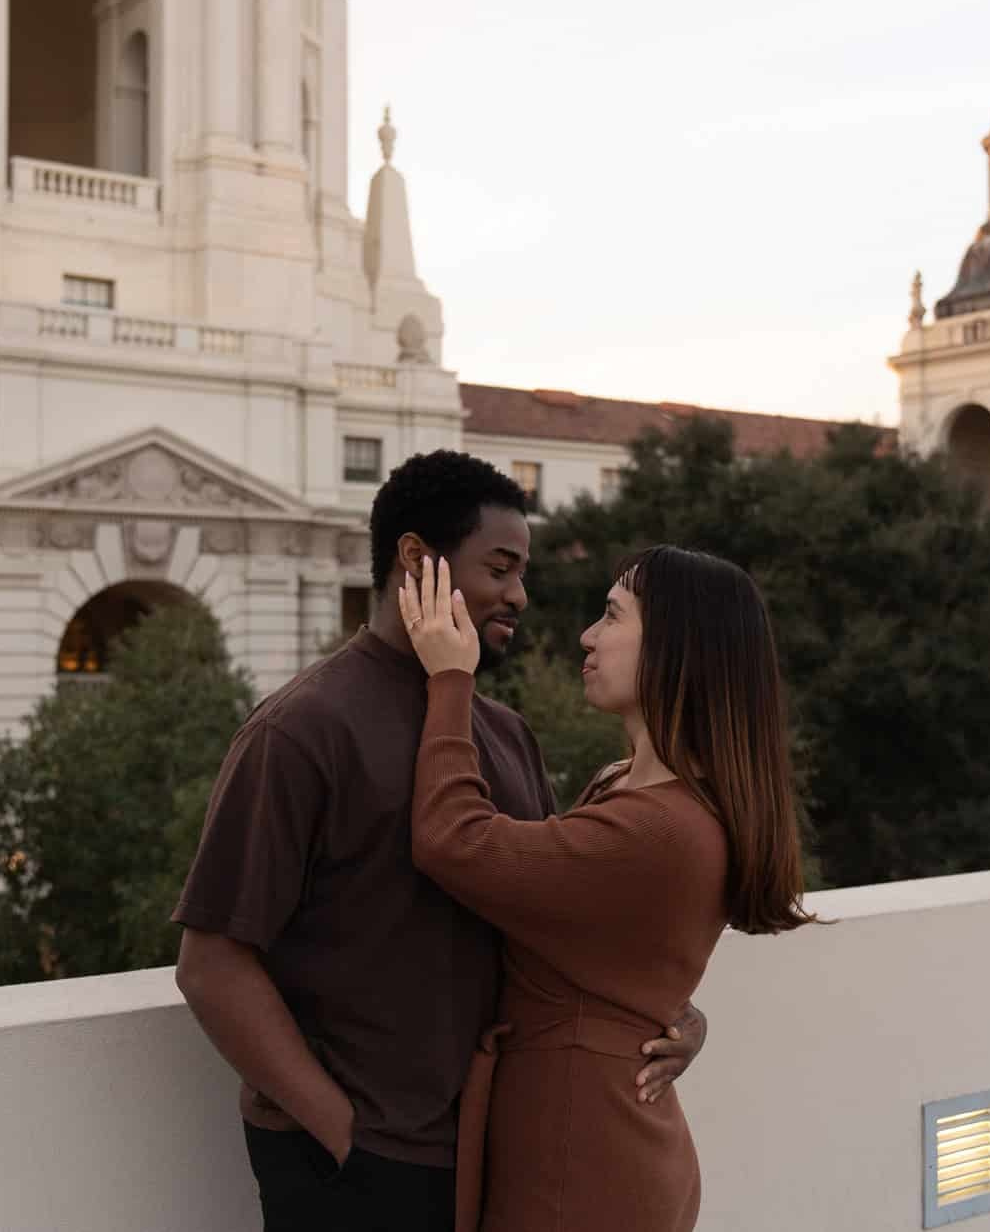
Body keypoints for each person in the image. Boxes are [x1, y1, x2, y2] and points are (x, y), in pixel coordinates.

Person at [173, 451, 708, 1232]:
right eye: (500, 567)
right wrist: (343, 1131)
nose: (519, 595)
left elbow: (555, 920)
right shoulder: (301, 730)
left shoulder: (504, 734)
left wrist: (674, 1015)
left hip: (496, 1154)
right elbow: (213, 963)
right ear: (417, 558)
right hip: (354, 1170)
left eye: (523, 570)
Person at [399, 545, 815, 1232]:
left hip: (581, 1161)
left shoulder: (661, 828)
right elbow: (611, 946)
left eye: (611, 615)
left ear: (674, 651)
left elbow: (452, 838)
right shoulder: (625, 784)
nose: (588, 635)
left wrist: (449, 677)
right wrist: (670, 1011)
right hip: (588, 1135)